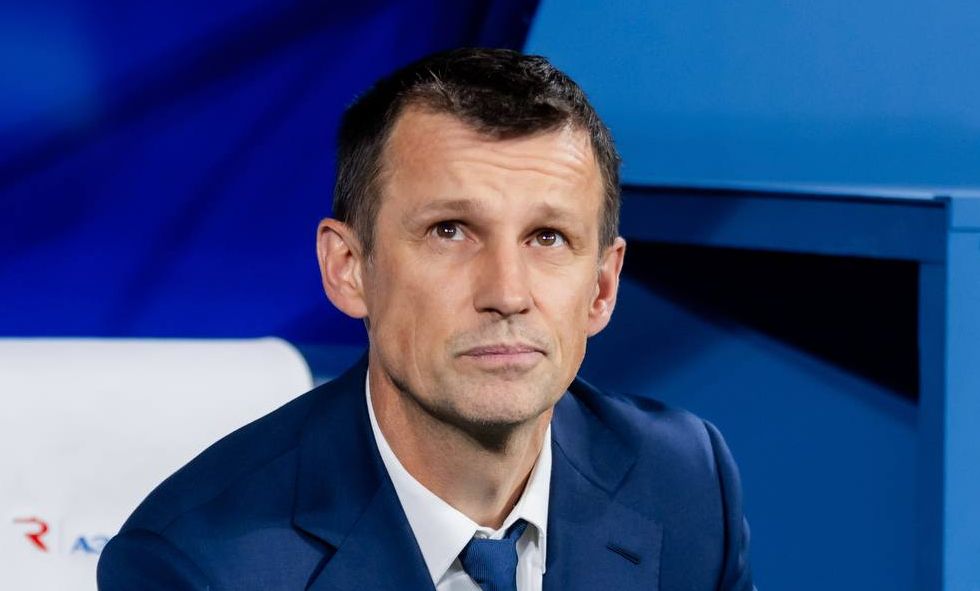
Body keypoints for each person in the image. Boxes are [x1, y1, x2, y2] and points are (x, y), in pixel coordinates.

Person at [97, 47, 754, 591]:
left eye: (548, 237)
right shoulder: (196, 564)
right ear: (349, 268)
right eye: (450, 230)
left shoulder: (685, 482)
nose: (507, 293)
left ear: (602, 288)